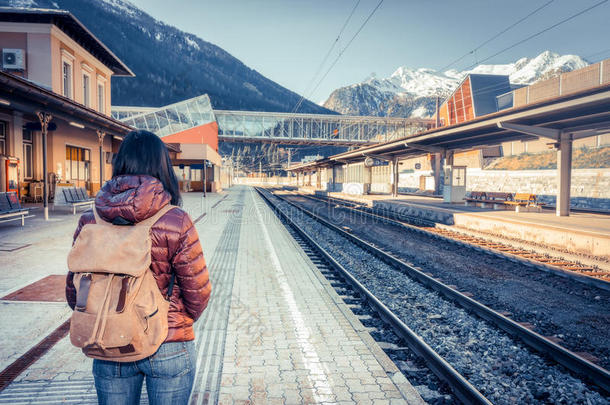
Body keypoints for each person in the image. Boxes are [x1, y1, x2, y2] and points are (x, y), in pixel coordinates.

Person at [65, 130, 211, 405]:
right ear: (162, 167)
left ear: (119, 164)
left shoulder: (90, 219)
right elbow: (198, 293)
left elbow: (75, 293)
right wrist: (176, 320)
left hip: (109, 341)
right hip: (168, 343)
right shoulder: (176, 219)